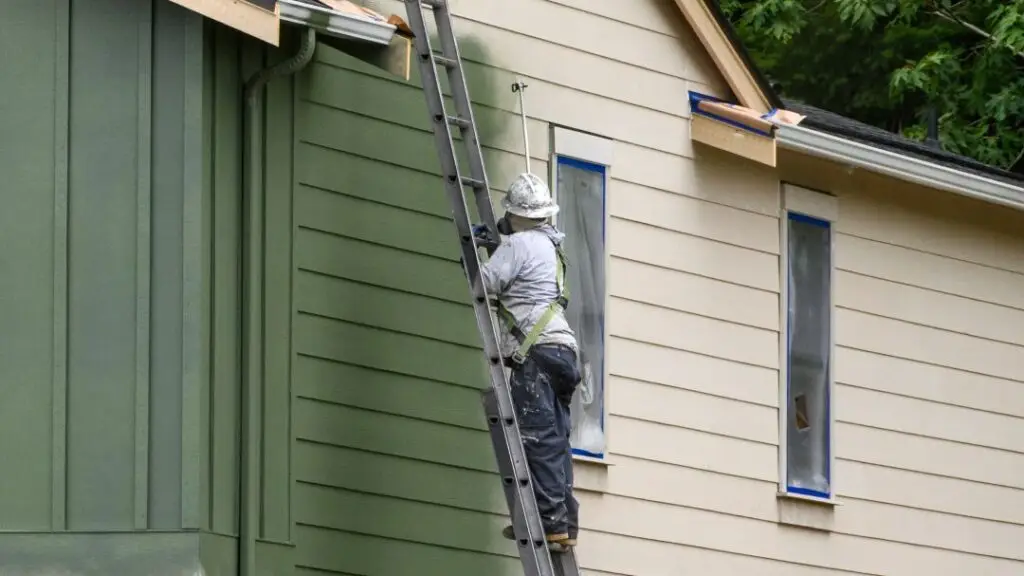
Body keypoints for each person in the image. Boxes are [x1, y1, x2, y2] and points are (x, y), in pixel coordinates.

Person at [475, 172, 582, 552]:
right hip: (563, 351)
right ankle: (564, 524)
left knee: (536, 438)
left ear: (515, 214)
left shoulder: (518, 244)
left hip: (536, 354)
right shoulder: (552, 247)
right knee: (556, 440)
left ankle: (549, 526)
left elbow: (483, 284)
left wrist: (480, 250)